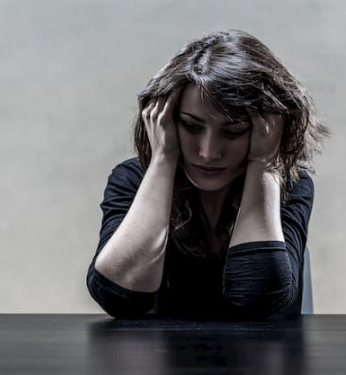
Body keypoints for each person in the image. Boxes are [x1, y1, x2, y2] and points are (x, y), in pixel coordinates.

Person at [86, 30, 328, 319]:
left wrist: (264, 164)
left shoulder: (290, 184)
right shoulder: (132, 179)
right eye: (191, 126)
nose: (209, 152)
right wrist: (163, 158)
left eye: (233, 131)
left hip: (262, 351)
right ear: (162, 121)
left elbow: (258, 300)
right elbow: (118, 299)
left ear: (269, 128)